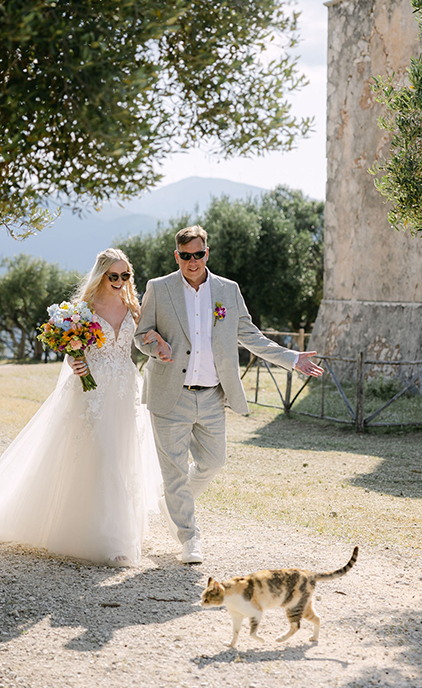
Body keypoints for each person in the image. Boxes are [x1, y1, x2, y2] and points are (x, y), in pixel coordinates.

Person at [0, 248, 163, 567]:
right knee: (103, 454)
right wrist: (75, 359)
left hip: (126, 390)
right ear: (102, 275)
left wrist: (160, 342)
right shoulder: (84, 309)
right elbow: (70, 345)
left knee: (123, 454)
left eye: (125, 275)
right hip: (93, 388)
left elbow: (145, 340)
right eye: (113, 276)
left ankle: (119, 530)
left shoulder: (134, 307)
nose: (119, 281)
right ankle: (113, 542)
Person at [134, 225, 323, 564]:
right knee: (174, 472)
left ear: (208, 253)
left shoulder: (227, 290)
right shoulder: (158, 289)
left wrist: (293, 359)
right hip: (169, 396)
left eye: (199, 254)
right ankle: (190, 538)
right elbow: (141, 333)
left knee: (214, 461)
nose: (192, 262)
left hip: (211, 395)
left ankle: (173, 502)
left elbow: (251, 336)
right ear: (177, 256)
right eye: (186, 256)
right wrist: (154, 344)